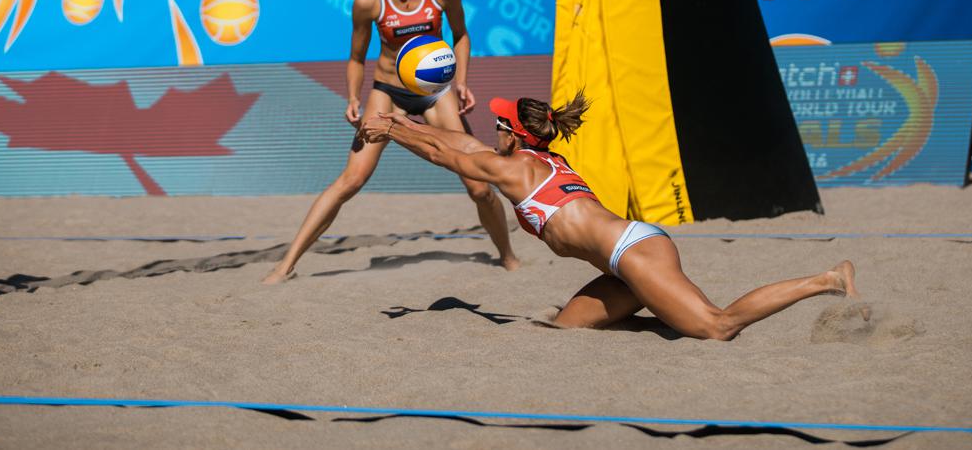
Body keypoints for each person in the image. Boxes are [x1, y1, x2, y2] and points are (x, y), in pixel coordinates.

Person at [357, 93, 862, 340]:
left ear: (514, 135)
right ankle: (661, 310)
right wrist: (403, 120)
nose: (492, 130)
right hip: (625, 261)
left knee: (716, 326)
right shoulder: (541, 161)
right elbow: (460, 143)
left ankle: (827, 279)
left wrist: (392, 133)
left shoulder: (514, 172)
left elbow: (452, 156)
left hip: (634, 251)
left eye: (499, 124)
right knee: (566, 329)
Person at [263, 0, 518, 284]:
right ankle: (284, 266)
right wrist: (352, 96)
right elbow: (355, 57)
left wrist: (461, 81)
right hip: (387, 93)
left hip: (434, 93)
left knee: (479, 185)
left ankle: (507, 256)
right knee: (351, 181)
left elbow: (461, 36)